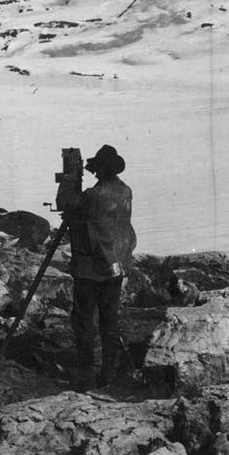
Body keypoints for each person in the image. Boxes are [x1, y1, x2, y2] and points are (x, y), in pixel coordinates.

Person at [58, 144, 137, 390]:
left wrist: (70, 177)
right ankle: (108, 374)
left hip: (91, 268)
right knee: (109, 320)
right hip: (117, 264)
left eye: (94, 170)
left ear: (101, 170)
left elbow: (65, 202)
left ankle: (85, 375)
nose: (92, 173)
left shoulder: (95, 195)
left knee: (83, 319)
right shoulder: (125, 191)